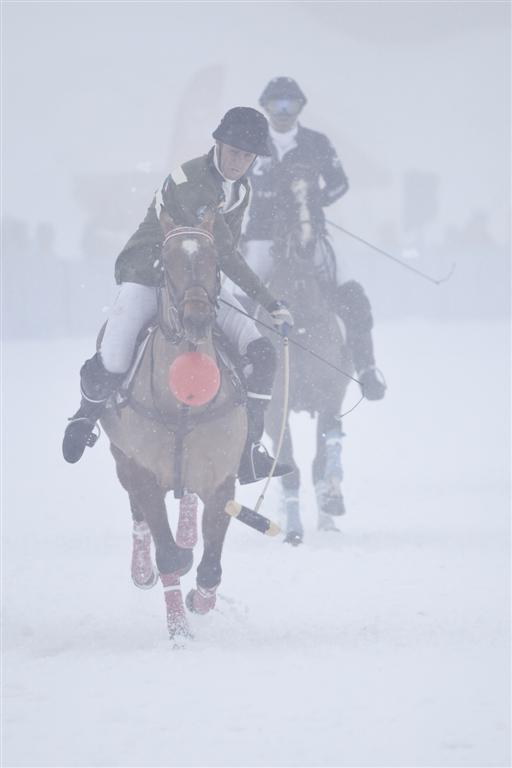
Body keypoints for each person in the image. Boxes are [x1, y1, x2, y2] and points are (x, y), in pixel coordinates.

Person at [62, 107, 294, 484]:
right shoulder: (192, 181)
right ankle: (84, 416)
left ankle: (249, 449)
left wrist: (267, 304)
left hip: (200, 286)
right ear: (218, 145)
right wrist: (269, 301)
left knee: (262, 354)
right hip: (149, 274)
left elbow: (223, 254)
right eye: (234, 152)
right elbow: (223, 249)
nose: (239, 162)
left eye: (248, 156)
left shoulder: (242, 189)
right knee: (116, 356)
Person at [242, 77, 386, 400]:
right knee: (238, 298)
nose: (282, 111)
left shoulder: (316, 143)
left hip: (311, 234)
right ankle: (233, 369)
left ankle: (366, 368)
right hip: (263, 238)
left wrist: (311, 200)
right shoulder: (252, 141)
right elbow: (234, 183)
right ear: (265, 107)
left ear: (300, 107)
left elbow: (340, 183)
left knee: (352, 293)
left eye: (289, 104)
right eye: (276, 104)